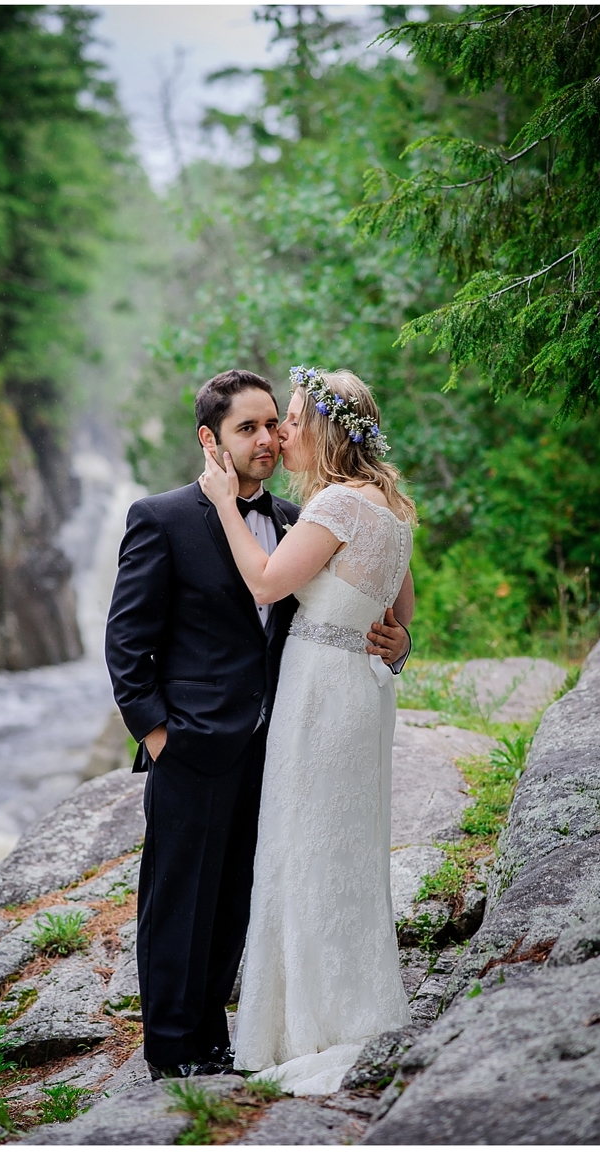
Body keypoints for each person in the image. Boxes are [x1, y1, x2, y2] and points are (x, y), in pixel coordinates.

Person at [105, 369, 411, 1080]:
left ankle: (216, 1040)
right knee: (179, 900)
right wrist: (156, 733)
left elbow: (357, 605)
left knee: (241, 896)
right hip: (192, 740)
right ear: (210, 440)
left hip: (280, 739)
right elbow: (127, 643)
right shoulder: (164, 517)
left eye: (276, 423)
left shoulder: (303, 519)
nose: (270, 439)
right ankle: (174, 1052)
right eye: (249, 428)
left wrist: (399, 643)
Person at [199, 366, 416, 1096]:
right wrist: (400, 647)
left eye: (291, 417)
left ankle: (305, 1027)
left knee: (304, 845)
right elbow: (400, 618)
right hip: (359, 691)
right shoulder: (388, 507)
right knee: (344, 849)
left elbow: (265, 582)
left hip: (320, 696)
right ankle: (351, 1001)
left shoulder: (333, 510)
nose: (282, 432)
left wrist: (225, 503)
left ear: (322, 429)